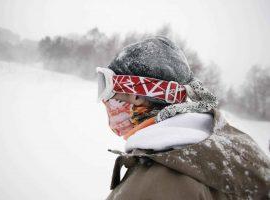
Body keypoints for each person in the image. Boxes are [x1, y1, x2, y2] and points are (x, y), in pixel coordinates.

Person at [96, 36, 270, 200]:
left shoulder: (154, 185)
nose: (105, 99)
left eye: (107, 86)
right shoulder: (233, 144)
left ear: (136, 95)